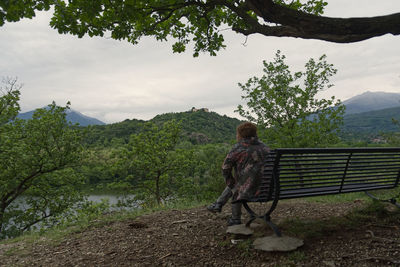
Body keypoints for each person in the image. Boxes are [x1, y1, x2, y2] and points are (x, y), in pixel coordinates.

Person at [207, 122, 270, 226]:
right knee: (240, 183)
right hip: (268, 189)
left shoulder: (239, 148)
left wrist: (230, 182)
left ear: (240, 135)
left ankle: (235, 218)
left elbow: (225, 169)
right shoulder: (265, 147)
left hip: (249, 191)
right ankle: (218, 203)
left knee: (237, 185)